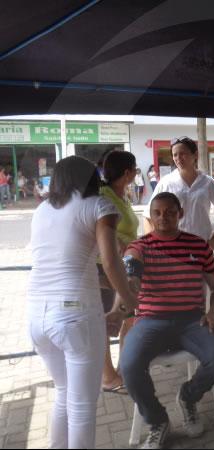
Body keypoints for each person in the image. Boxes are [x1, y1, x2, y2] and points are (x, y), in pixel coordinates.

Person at [27, 156, 137, 449]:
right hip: (75, 318)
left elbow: (73, 266)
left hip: (36, 317)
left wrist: (118, 295)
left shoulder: (41, 210)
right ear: (91, 179)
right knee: (83, 405)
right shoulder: (99, 206)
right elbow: (112, 265)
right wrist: (130, 301)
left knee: (63, 392)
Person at [118, 192, 214, 449]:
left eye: (169, 212)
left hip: (192, 321)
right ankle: (157, 420)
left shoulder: (198, 245)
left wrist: (213, 314)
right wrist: (131, 280)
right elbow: (131, 266)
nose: (163, 217)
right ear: (151, 215)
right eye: (157, 212)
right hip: (149, 321)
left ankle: (188, 397)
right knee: (129, 366)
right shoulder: (140, 246)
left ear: (180, 213)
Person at [97, 150, 140, 393]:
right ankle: (108, 377)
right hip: (105, 266)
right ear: (127, 172)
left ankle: (125, 368)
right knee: (105, 320)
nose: (136, 173)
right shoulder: (103, 196)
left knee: (129, 316)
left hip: (125, 265)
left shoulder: (121, 195)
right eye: (135, 169)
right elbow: (103, 231)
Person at [144, 137, 214, 250]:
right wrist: (153, 245)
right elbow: (148, 215)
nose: (178, 158)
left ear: (195, 155)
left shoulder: (207, 182)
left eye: (182, 154)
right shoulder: (166, 182)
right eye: (175, 155)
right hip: (174, 247)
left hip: (201, 246)